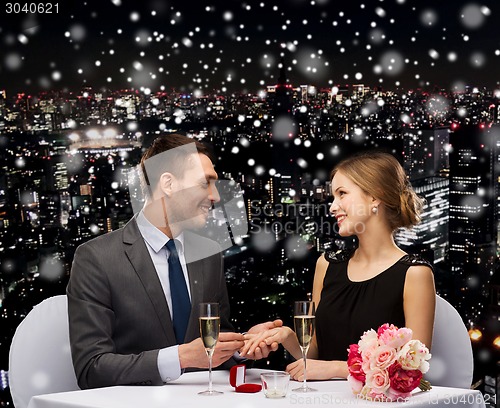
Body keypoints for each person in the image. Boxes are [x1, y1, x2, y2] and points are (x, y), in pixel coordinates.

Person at [67, 133, 281, 389]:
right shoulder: (97, 259)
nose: (215, 196)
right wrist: (180, 357)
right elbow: (91, 369)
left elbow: (212, 343)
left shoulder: (209, 254)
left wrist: (242, 346)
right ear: (168, 184)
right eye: (205, 183)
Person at [240, 151, 436, 381]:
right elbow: (313, 354)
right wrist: (286, 336)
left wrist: (336, 369)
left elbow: (412, 369)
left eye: (342, 194)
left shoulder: (415, 274)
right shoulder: (326, 264)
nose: (332, 207)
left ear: (376, 197)